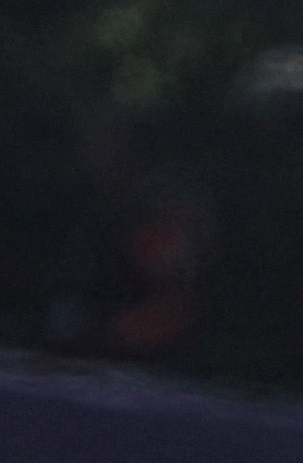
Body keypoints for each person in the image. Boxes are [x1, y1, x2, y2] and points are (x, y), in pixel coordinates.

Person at [40, 100, 207, 367]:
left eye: (100, 139)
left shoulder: (156, 213)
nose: (86, 149)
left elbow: (172, 308)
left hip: (138, 381)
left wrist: (96, 341)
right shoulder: (93, 205)